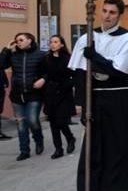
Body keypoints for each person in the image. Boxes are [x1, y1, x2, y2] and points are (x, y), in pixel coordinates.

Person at [67, 0, 128, 191]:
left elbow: (120, 70)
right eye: (104, 11)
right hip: (95, 100)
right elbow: (79, 74)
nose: (106, 16)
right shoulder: (87, 37)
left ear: (119, 15)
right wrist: (82, 105)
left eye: (112, 12)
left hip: (120, 99)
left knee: (124, 146)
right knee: (92, 150)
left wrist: (94, 57)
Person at [0, 32, 47, 161]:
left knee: (32, 120)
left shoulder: (41, 55)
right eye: (16, 40)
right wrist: (6, 50)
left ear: (30, 40)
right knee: (21, 124)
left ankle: (38, 140)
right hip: (17, 95)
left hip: (34, 94)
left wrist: (43, 79)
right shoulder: (13, 55)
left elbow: (48, 72)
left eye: (21, 39)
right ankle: (24, 150)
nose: (18, 42)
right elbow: (1, 65)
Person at [43, 35, 76, 159]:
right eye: (51, 42)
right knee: (53, 123)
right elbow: (44, 74)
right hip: (50, 94)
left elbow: (74, 75)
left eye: (56, 42)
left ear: (62, 44)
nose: (52, 44)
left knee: (61, 121)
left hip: (64, 94)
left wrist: (66, 85)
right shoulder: (46, 59)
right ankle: (58, 149)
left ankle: (70, 138)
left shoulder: (68, 58)